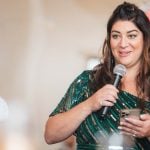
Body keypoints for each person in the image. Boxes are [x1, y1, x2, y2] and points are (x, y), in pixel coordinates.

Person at [44, 2, 150, 150]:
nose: (123, 43)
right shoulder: (88, 81)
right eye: (116, 36)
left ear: (145, 40)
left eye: (132, 36)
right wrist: (90, 104)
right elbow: (50, 135)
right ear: (109, 40)